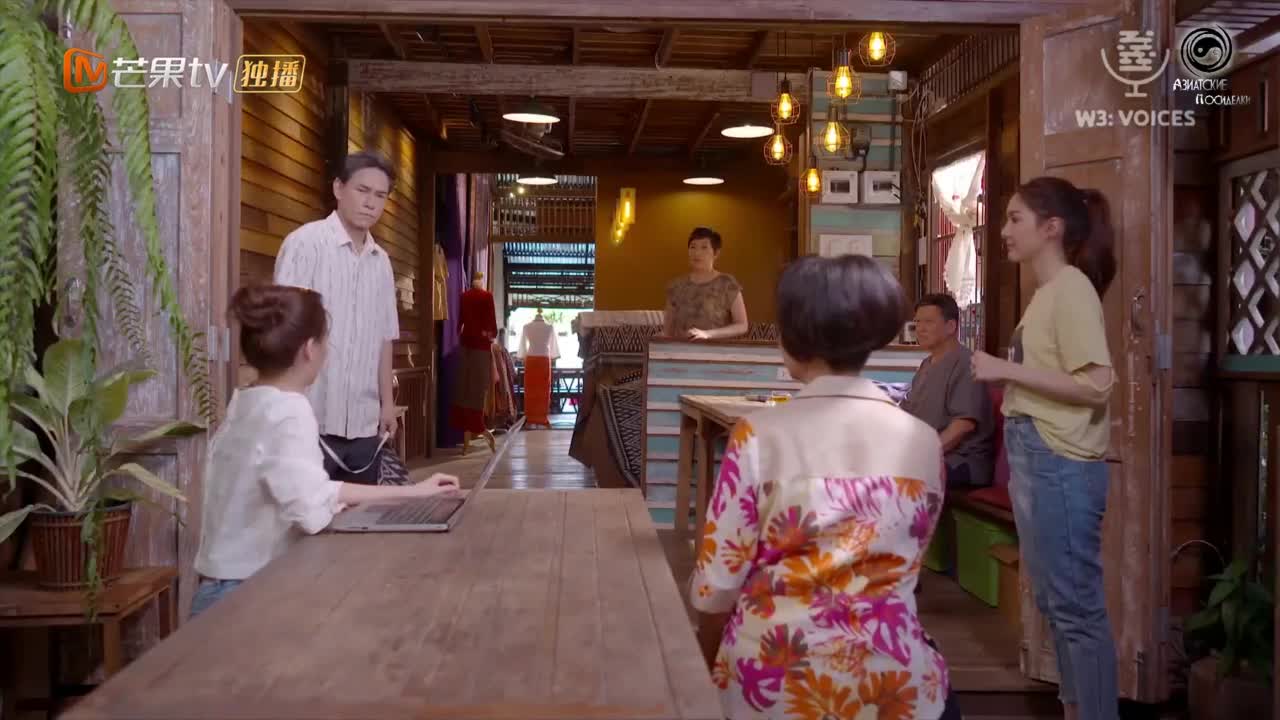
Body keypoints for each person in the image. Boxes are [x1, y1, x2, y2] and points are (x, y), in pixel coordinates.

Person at [688, 254, 958, 720]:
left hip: (773, 682)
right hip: (896, 687)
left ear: (792, 338)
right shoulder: (924, 442)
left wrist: (708, 667)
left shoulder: (758, 436)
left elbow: (715, 588)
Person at [191, 284, 459, 619]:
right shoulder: (290, 411)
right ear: (309, 349)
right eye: (325, 340)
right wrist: (411, 494)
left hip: (215, 586)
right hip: (246, 592)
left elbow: (310, 490)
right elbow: (311, 512)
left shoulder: (245, 402)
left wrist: (414, 493)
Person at [971, 176, 1118, 720]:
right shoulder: (1048, 293)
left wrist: (1005, 370)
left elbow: (1098, 384)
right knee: (1058, 606)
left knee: (1076, 609)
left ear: (1051, 228)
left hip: (1060, 461)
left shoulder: (1071, 289)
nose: (1004, 230)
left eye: (1015, 219)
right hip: (1039, 456)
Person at [273, 150, 407, 486]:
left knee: (362, 515)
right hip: (310, 418)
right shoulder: (305, 244)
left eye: (380, 196)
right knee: (306, 514)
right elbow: (281, 330)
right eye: (362, 190)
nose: (370, 203)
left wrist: (387, 405)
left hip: (364, 423)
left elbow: (384, 337)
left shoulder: (381, 262)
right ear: (338, 188)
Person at [901, 293, 995, 488]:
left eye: (928, 322)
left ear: (951, 326)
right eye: (917, 322)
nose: (920, 329)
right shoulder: (926, 364)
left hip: (960, 460)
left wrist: (921, 455)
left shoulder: (966, 363)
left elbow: (963, 426)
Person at [663, 227, 749, 340]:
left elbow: (742, 325)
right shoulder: (676, 286)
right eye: (693, 247)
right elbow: (668, 331)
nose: (697, 253)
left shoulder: (727, 284)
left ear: (716, 253)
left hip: (715, 349)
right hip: (679, 348)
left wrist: (708, 334)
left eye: (704, 247)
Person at [454, 271, 497, 454]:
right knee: (478, 389)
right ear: (481, 280)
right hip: (480, 347)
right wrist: (489, 334)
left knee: (464, 388)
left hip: (465, 346)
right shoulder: (487, 297)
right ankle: (479, 426)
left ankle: (468, 432)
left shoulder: (464, 296)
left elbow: (460, 321)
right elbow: (491, 322)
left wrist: (460, 334)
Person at [518, 308, 561, 429]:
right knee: (543, 390)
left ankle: (533, 418)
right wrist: (553, 356)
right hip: (543, 359)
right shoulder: (548, 327)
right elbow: (553, 348)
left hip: (531, 358)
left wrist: (522, 356)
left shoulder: (528, 327)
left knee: (532, 389)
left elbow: (522, 346)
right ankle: (540, 418)